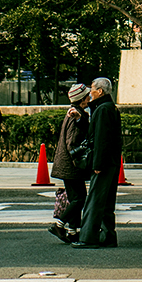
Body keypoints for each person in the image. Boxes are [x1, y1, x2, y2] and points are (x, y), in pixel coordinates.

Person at [75, 76, 122, 248]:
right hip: (112, 161)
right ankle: (108, 235)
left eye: (92, 89)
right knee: (107, 202)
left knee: (94, 200)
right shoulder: (110, 108)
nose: (90, 92)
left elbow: (101, 139)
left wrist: (98, 164)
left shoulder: (102, 110)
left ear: (100, 91)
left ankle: (88, 237)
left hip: (103, 162)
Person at [49, 83, 92, 243]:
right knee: (79, 198)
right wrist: (79, 162)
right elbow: (72, 142)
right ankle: (59, 225)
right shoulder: (76, 116)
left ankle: (72, 231)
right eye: (87, 95)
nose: (90, 97)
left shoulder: (76, 114)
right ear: (81, 100)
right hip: (71, 166)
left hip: (66, 164)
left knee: (75, 197)